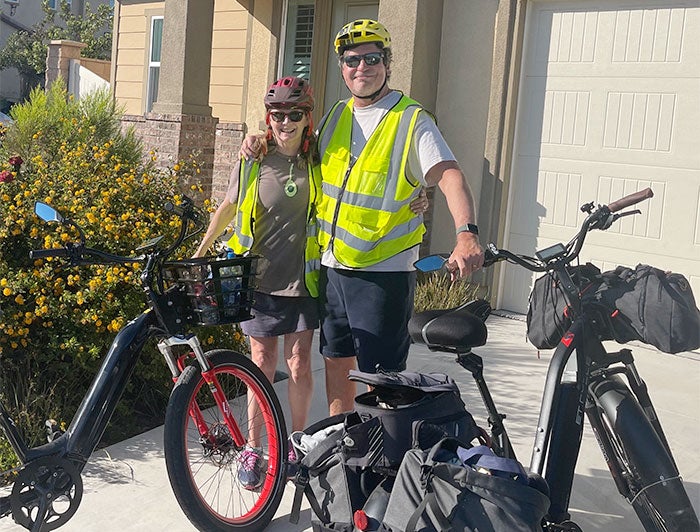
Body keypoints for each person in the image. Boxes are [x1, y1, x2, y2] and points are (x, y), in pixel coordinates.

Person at [241, 19, 483, 417]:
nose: (362, 67)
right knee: (337, 366)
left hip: (382, 275)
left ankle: (386, 466)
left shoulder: (411, 120)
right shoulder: (337, 116)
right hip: (333, 269)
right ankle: (345, 450)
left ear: (387, 63)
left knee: (383, 381)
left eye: (372, 58)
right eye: (352, 60)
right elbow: (296, 145)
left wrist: (466, 233)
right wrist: (260, 137)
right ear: (342, 67)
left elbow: (449, 175)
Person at [193, 76, 322, 489]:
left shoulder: (319, 157)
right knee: (259, 366)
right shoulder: (254, 157)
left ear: (307, 118)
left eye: (294, 114)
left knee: (300, 365)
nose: (285, 121)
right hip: (259, 281)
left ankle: (296, 444)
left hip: (303, 280)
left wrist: (416, 201)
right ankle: (253, 446)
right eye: (277, 114)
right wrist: (201, 250)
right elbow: (229, 206)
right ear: (269, 118)